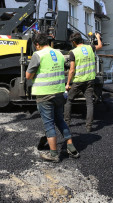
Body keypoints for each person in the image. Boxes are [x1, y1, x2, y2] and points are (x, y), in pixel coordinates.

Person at [26, 32, 80, 162]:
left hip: (45, 94)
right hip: (59, 93)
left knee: (49, 124)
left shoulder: (37, 55)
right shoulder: (58, 53)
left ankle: (54, 154)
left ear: (37, 44)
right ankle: (71, 147)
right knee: (60, 120)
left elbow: (28, 76)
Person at [64, 32, 102, 132]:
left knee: (69, 100)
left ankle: (67, 123)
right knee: (89, 103)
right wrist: (98, 37)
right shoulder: (90, 48)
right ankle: (89, 126)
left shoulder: (73, 52)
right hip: (90, 80)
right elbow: (100, 46)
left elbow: (72, 70)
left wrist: (68, 84)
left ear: (73, 42)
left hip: (78, 81)